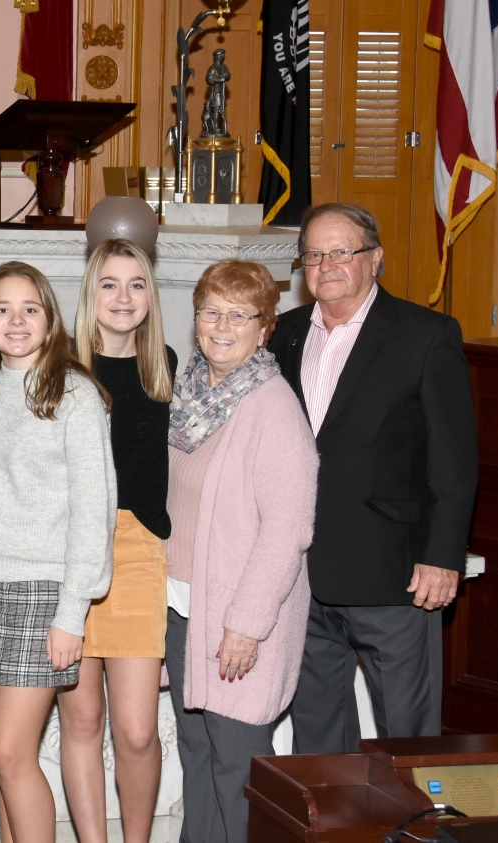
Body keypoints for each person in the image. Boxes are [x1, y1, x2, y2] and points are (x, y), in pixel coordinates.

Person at [268, 204, 478, 753]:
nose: (327, 264)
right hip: (301, 577)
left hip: (394, 575)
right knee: (317, 738)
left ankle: (413, 839)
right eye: (314, 254)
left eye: (343, 251)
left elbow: (454, 460)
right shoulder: (282, 335)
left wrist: (443, 556)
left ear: (375, 258)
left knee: (408, 739)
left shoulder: (425, 334)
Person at [0, 261, 115, 843]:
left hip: (42, 594)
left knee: (14, 756)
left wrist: (73, 612)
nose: (16, 322)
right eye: (1, 309)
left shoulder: (75, 394)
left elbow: (95, 513)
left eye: (29, 309)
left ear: (50, 318)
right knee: (4, 763)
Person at [164, 260, 318, 843]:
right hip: (183, 611)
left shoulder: (273, 409)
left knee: (238, 765)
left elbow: (287, 530)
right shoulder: (188, 396)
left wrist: (246, 627)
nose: (221, 326)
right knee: (197, 754)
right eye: (210, 311)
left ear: (265, 326)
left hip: (239, 623)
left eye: (239, 315)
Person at [59, 240, 176, 843]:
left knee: (135, 730)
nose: (123, 297)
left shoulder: (169, 367)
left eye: (136, 284)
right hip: (72, 555)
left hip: (138, 552)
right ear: (90, 293)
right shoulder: (61, 370)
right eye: (109, 284)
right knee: (81, 722)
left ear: (150, 297)